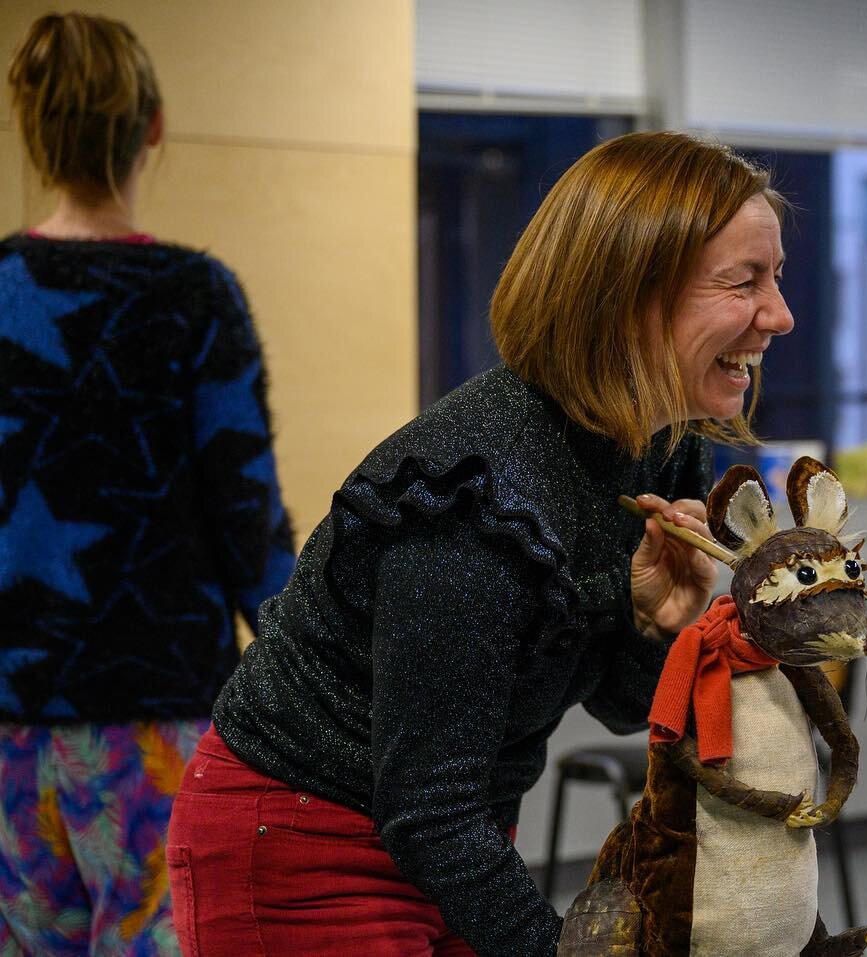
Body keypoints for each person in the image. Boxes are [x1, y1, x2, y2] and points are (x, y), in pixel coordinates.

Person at [165, 130, 795, 955]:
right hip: (301, 840)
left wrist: (648, 621)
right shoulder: (475, 493)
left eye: (775, 278)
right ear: (627, 294)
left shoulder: (659, 441)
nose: (780, 315)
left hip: (448, 836)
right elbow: (428, 806)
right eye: (743, 281)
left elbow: (614, 703)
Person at [0, 13, 295, 956]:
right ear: (154, 126)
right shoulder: (196, 296)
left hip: (6, 720)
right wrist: (314, 669)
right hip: (157, 717)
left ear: (28, 124)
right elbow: (245, 517)